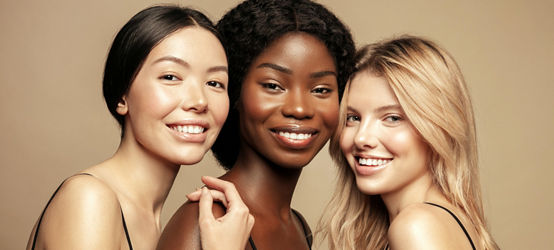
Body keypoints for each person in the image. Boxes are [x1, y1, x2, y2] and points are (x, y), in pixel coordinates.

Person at [26, 5, 253, 250]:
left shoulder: (160, 223)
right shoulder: (89, 199)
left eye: (214, 82)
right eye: (170, 77)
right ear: (123, 96)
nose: (199, 101)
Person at [157, 0, 356, 249]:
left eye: (320, 89)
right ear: (234, 91)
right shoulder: (206, 221)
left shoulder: (298, 225)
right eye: (273, 86)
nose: (299, 109)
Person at [318, 36, 499, 249]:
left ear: (438, 128)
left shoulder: (417, 227)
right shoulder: (446, 219)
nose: (361, 138)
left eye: (392, 118)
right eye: (353, 118)